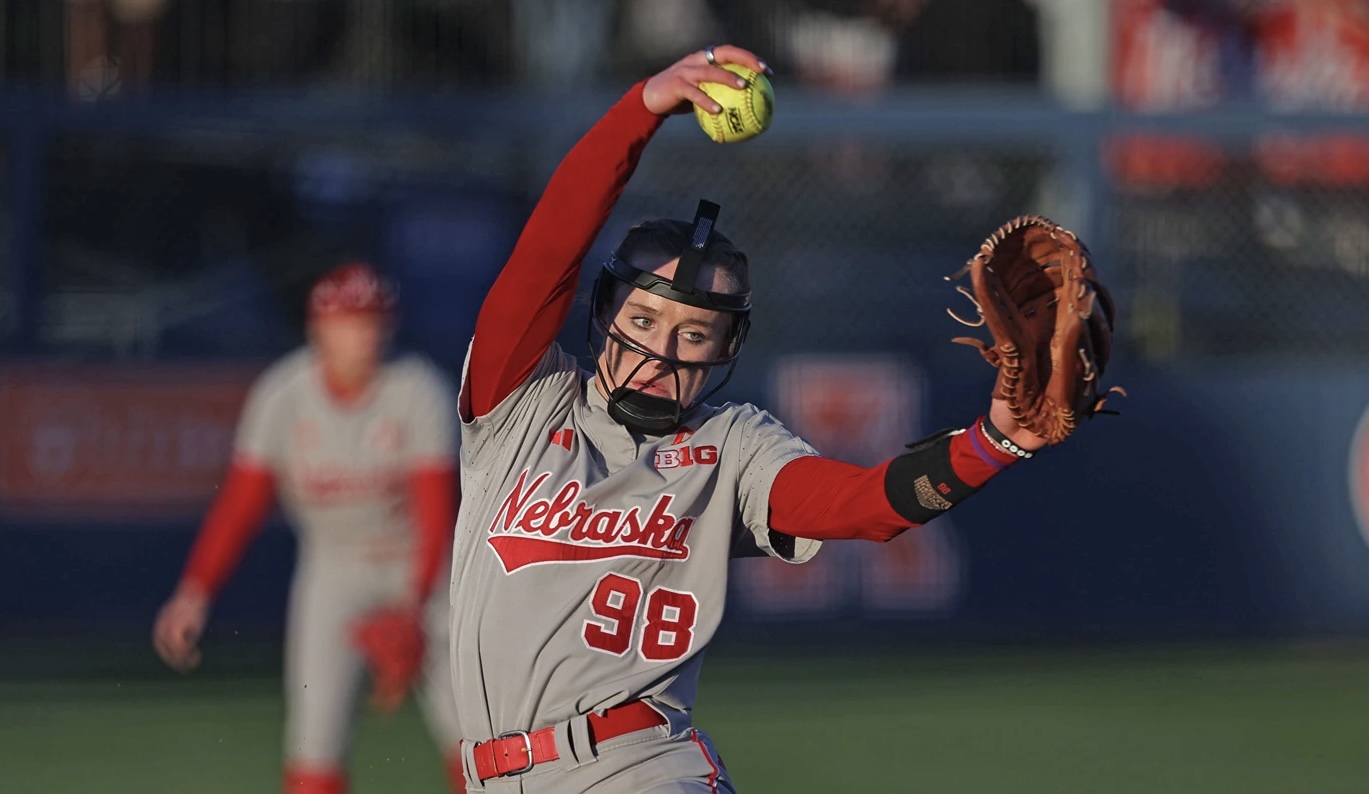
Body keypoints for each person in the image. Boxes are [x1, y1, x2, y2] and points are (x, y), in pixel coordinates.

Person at [450, 45, 1075, 792]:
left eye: (693, 333)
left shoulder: (729, 444)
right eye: (645, 319)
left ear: (725, 349)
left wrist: (995, 442)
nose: (661, 351)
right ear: (605, 314)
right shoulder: (522, 400)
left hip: (637, 768)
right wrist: (640, 109)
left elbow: (862, 506)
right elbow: (548, 247)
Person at [152, 262, 467, 794]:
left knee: (476, 739)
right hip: (334, 570)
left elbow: (440, 511)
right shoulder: (283, 395)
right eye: (350, 322)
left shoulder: (417, 389)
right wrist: (194, 592)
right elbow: (240, 505)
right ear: (318, 327)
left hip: (427, 571)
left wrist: (413, 608)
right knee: (313, 747)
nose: (364, 335)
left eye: (373, 321)